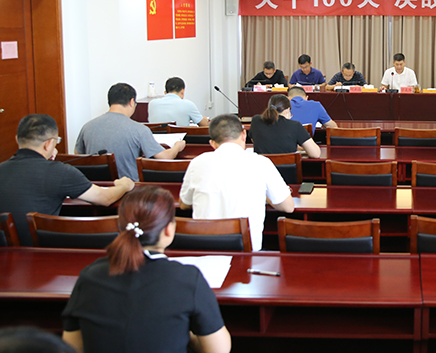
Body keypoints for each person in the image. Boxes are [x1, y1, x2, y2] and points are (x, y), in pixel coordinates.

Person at [62, 186, 231, 353]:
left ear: (120, 227)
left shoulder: (90, 276)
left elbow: (72, 346)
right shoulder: (188, 279)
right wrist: (187, 334)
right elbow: (219, 349)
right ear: (169, 229)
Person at [0, 114, 135, 247]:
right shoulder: (59, 172)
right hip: (42, 252)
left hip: (6, 252)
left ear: (17, 139)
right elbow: (104, 198)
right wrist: (124, 185)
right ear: (48, 144)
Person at [179, 114, 294, 250]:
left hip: (204, 248)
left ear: (212, 143)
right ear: (244, 134)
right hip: (247, 252)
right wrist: (266, 196)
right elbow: (288, 207)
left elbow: (184, 204)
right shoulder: (261, 163)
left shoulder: (197, 162)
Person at [75, 83, 186, 181]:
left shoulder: (87, 127)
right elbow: (165, 157)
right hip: (130, 189)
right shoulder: (139, 129)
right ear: (132, 102)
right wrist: (178, 146)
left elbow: (78, 154)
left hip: (95, 188)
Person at [250, 94, 321, 158]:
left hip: (263, 168)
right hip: (287, 168)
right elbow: (315, 154)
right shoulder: (295, 125)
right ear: (287, 110)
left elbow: (255, 140)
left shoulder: (256, 121)